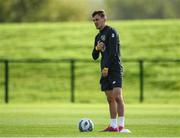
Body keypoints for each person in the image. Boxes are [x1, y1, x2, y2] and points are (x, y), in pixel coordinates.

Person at [91, 10, 125, 132]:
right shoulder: (98, 37)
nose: (95, 22)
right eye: (93, 20)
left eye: (97, 19)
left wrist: (107, 67)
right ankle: (113, 126)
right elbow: (94, 56)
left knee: (117, 97)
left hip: (114, 68)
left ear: (104, 19)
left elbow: (113, 52)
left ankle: (121, 126)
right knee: (110, 98)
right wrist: (96, 48)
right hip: (104, 70)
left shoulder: (112, 32)